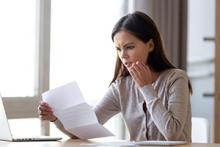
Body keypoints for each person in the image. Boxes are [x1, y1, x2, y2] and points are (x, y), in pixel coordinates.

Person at [38, 11, 192, 142]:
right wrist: (55, 119)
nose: (123, 56)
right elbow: (85, 129)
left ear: (150, 45)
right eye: (118, 49)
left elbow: (172, 134)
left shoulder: (176, 79)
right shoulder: (121, 86)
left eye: (129, 47)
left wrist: (146, 88)